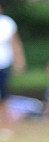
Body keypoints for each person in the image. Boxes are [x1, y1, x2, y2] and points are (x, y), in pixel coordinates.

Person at [0, 2, 25, 134]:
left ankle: (5, 126)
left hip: (3, 65)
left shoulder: (7, 23)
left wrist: (19, 61)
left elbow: (15, 43)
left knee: (4, 98)